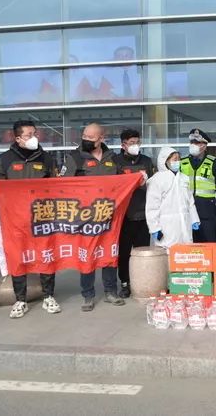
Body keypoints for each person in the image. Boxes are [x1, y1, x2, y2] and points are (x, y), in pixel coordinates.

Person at [0, 120, 61, 319]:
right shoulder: (5, 159)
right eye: (29, 135)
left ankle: (49, 296)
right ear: (18, 138)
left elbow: (57, 186)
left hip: (42, 217)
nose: (34, 137)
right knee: (18, 258)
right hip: (15, 220)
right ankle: (20, 299)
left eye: (35, 133)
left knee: (46, 256)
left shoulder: (46, 158)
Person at [59, 123, 124, 312]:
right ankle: (88, 295)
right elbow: (63, 186)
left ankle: (111, 291)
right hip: (85, 217)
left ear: (101, 138)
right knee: (87, 255)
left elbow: (122, 182)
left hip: (109, 215)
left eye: (91, 137)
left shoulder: (113, 158)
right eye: (84, 136)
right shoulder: (74, 158)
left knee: (109, 254)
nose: (86, 140)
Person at [114, 129, 155, 298]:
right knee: (124, 253)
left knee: (142, 253)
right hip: (124, 216)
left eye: (137, 142)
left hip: (143, 215)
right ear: (123, 145)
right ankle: (125, 283)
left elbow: (154, 185)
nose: (135, 146)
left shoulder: (146, 161)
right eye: (131, 143)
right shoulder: (115, 162)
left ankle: (142, 282)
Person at [145, 146, 201, 248]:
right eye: (174, 159)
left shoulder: (184, 178)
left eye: (179, 159)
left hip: (184, 222)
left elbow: (190, 202)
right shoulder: (157, 180)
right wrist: (154, 228)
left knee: (185, 252)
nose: (178, 162)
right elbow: (152, 207)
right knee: (168, 253)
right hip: (166, 226)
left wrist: (194, 219)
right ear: (165, 161)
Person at [179, 129, 216, 243]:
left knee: (208, 243)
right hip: (187, 208)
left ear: (204, 146)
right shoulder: (183, 162)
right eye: (192, 142)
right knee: (189, 244)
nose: (193, 145)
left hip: (206, 208)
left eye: (197, 143)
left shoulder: (214, 162)